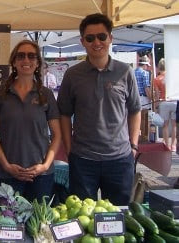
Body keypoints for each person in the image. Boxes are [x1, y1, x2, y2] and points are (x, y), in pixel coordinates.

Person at [57, 13, 141, 205]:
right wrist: (70, 150)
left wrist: (134, 146)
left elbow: (135, 110)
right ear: (82, 41)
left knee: (119, 216)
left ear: (110, 38)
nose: (97, 42)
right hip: (83, 159)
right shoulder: (72, 75)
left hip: (120, 159)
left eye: (102, 36)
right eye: (90, 38)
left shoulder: (125, 72)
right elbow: (64, 114)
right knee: (83, 217)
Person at [0, 40, 61, 202]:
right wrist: (6, 165)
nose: (26, 60)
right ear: (14, 62)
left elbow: (57, 135)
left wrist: (45, 165)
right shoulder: (0, 94)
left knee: (40, 225)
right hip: (9, 175)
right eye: (20, 56)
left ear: (37, 63)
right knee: (10, 224)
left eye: (31, 56)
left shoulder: (46, 94)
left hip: (41, 175)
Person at [154, 58, 177, 151]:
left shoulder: (157, 79)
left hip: (164, 102)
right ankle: (174, 145)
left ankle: (167, 145)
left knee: (165, 125)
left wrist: (156, 105)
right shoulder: (173, 77)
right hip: (174, 101)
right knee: (175, 125)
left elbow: (157, 94)